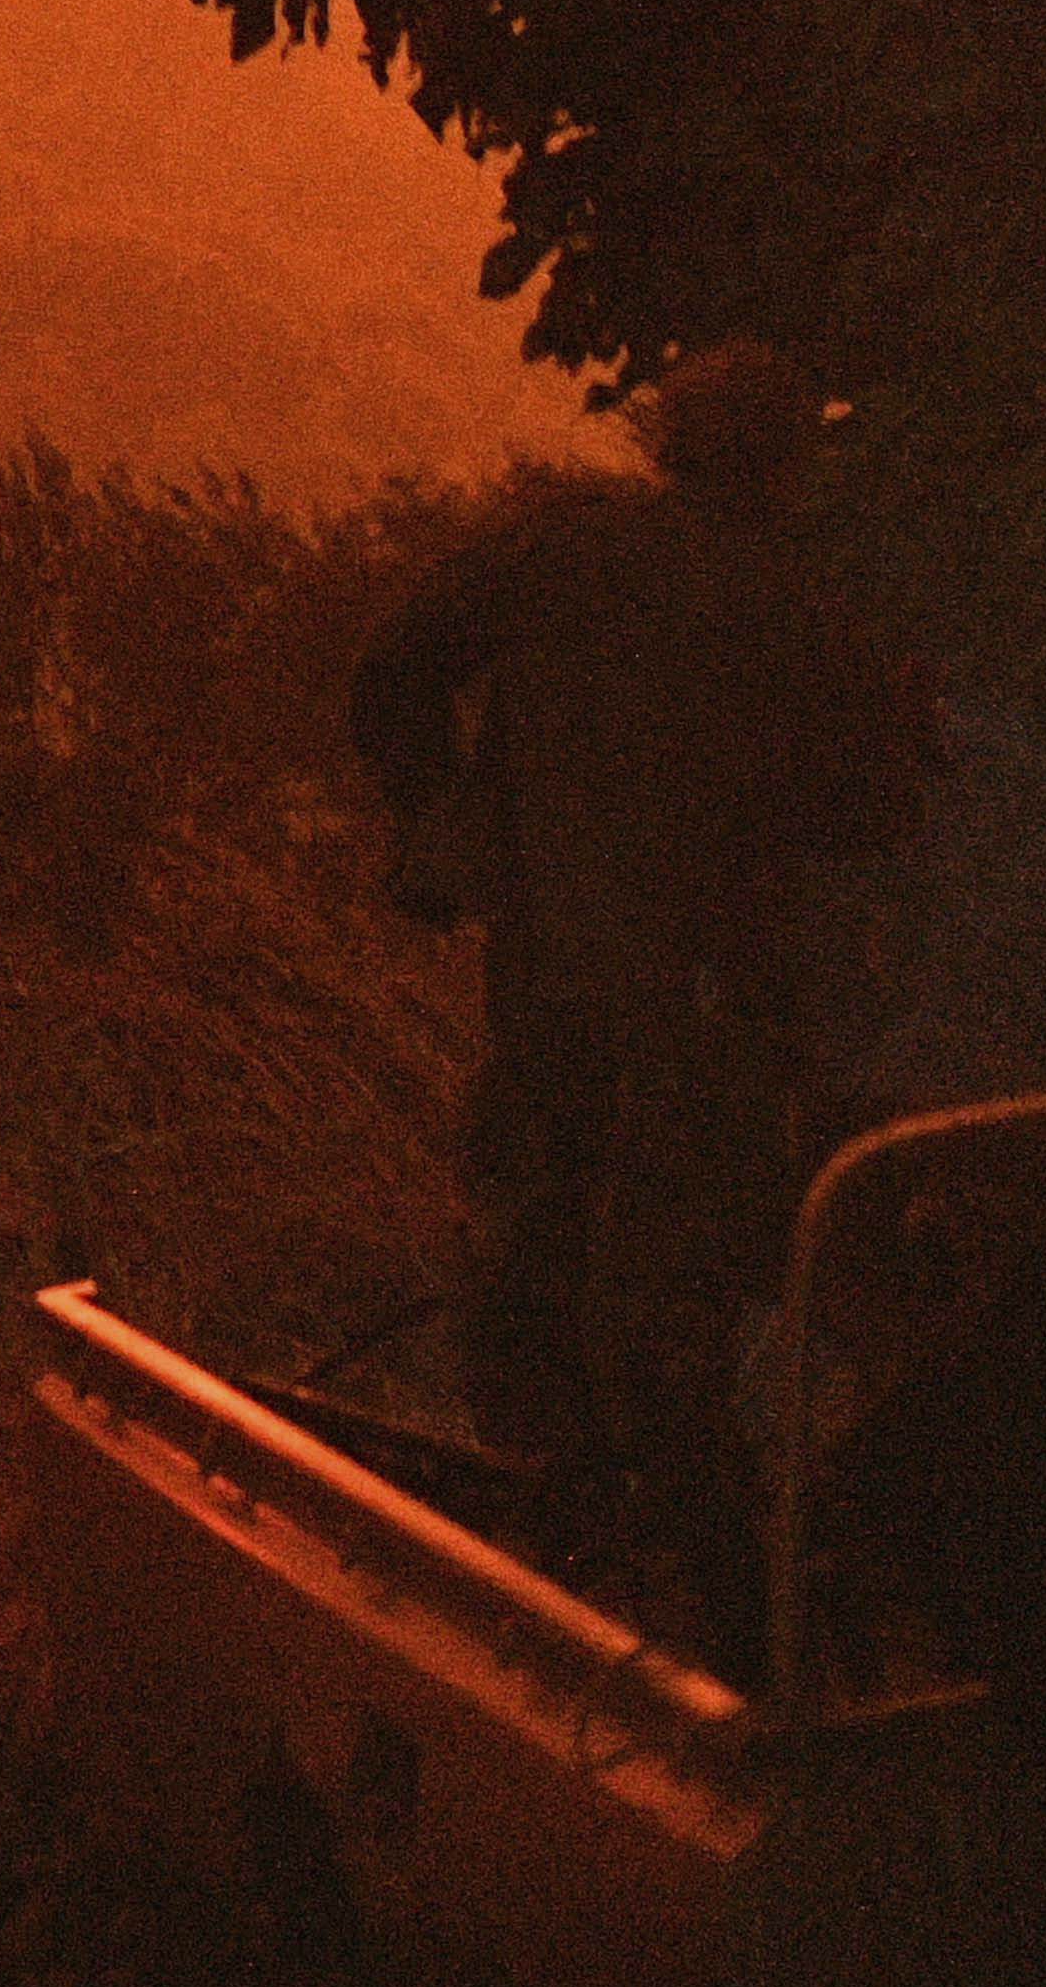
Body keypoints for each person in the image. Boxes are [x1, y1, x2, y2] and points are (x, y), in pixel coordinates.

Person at [341, 341, 928, 1648]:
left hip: (555, 999)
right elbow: (880, 812)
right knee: (654, 1344)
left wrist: (446, 832)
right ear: (787, 462)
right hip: (703, 1029)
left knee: (539, 1305)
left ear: (672, 439)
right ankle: (733, 1654)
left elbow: (390, 667)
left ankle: (582, 1614)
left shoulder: (560, 551)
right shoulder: (797, 607)